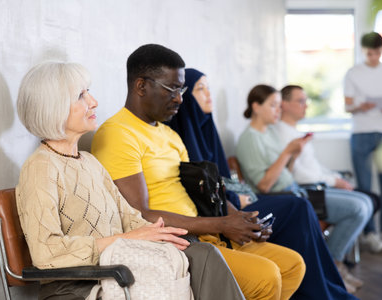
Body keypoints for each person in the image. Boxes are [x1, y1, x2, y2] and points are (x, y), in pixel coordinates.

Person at [91, 44, 306, 300]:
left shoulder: (169, 134)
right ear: (141, 86)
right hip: (175, 245)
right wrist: (222, 224)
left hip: (205, 232)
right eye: (171, 89)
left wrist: (242, 220)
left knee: (293, 265)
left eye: (181, 89)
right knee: (265, 276)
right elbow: (141, 215)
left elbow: (201, 194)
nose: (180, 98)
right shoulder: (118, 134)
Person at [15, 61, 244, 300]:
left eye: (88, 92)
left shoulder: (89, 162)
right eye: (81, 96)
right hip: (77, 285)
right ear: (54, 107)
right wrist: (126, 239)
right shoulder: (41, 167)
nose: (93, 102)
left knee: (198, 251)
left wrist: (159, 233)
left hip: (118, 266)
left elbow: (128, 217)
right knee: (199, 259)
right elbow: (46, 253)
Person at [167, 67, 359, 300]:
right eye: (200, 89)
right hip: (222, 212)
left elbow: (224, 178)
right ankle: (319, 291)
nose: (209, 95)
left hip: (237, 201)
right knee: (300, 207)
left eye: (209, 88)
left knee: (303, 206)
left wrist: (240, 194)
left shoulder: (208, 129)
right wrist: (238, 198)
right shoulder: (181, 136)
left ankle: (326, 287)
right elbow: (205, 187)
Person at [236, 84, 373, 294]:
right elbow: (264, 185)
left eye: (278, 106)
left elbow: (286, 173)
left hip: (294, 189)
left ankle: (332, 272)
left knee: (363, 201)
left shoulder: (269, 133)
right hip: (281, 196)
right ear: (256, 107)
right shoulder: (249, 138)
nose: (277, 111)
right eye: (273, 105)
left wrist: (293, 155)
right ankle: (333, 268)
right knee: (357, 207)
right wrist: (287, 153)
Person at [275, 85, 382, 253]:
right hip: (308, 190)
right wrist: (333, 181)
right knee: (364, 203)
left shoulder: (295, 132)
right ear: (284, 104)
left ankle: (339, 257)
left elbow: (315, 166)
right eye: (300, 101)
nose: (306, 106)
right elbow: (297, 174)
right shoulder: (282, 134)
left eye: (306, 101)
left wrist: (335, 178)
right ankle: (335, 260)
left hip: (316, 185)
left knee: (370, 200)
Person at [344, 32, 382, 243]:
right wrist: (360, 107)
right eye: (369, 53)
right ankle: (369, 233)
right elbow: (347, 105)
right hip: (361, 132)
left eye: (377, 52)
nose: (373, 57)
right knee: (364, 185)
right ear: (364, 51)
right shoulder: (353, 73)